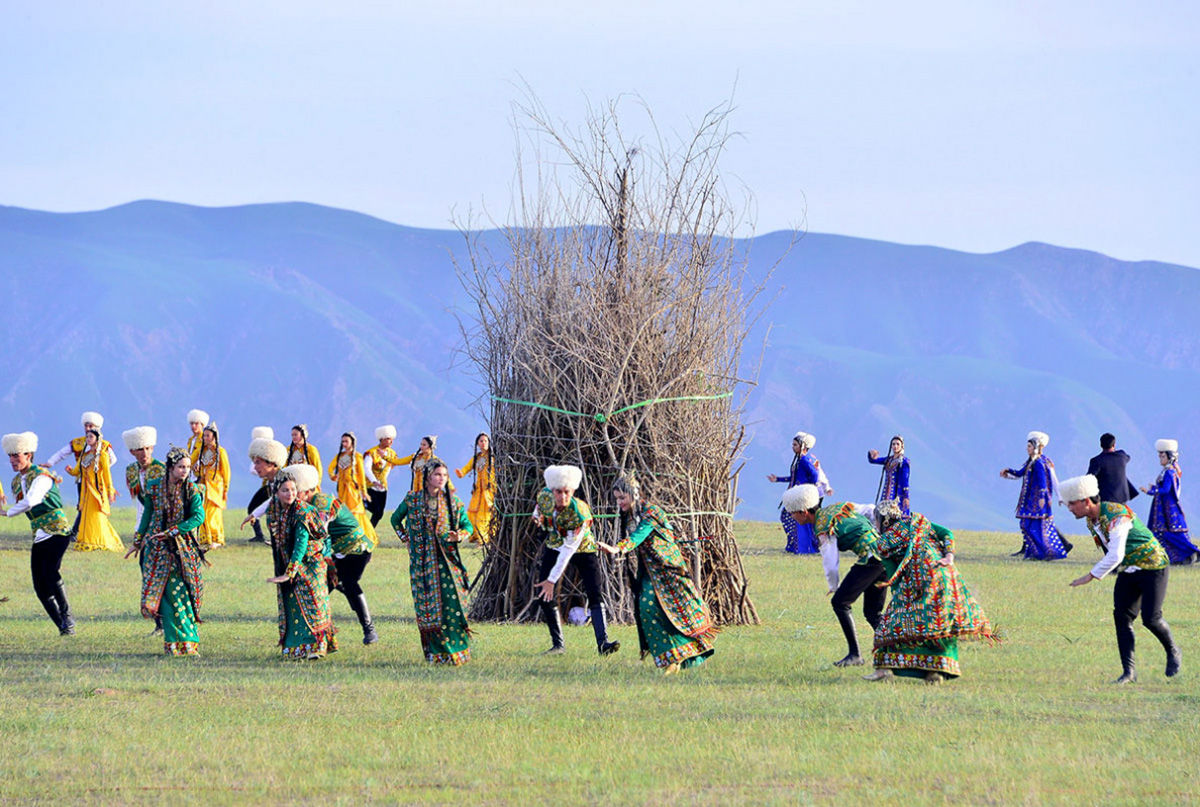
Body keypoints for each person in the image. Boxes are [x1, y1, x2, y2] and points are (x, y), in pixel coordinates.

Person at [1062, 474, 1180, 683]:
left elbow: (1115, 553)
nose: (1070, 508)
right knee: (1122, 617)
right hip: (1129, 569)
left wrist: (1090, 576)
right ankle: (1129, 672)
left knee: (1151, 619)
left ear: (1085, 501)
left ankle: (1173, 651)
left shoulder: (1117, 515)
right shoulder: (1092, 520)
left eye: (1072, 504)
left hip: (1153, 566)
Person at [863, 500, 998, 683]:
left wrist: (900, 601)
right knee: (941, 624)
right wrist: (949, 556)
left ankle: (883, 669)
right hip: (947, 575)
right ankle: (936, 672)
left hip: (921, 580)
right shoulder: (918, 522)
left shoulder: (884, 543)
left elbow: (894, 575)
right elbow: (946, 533)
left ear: (884, 521)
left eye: (877, 520)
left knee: (889, 625)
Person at [598, 474, 715, 674]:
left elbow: (638, 536)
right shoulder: (630, 514)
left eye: (622, 498)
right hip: (649, 569)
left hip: (667, 568)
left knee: (651, 605)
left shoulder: (651, 512)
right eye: (617, 499)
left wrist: (618, 549)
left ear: (633, 494)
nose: (619, 502)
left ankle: (676, 657)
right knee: (647, 608)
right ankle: (670, 658)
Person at [782, 486, 886, 667]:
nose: (792, 517)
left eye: (792, 513)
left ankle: (855, 655)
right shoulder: (840, 507)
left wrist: (834, 586)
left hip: (871, 559)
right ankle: (896, 649)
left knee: (840, 602)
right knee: (872, 612)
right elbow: (870, 509)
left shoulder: (822, 527)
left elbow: (830, 561)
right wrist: (880, 532)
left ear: (804, 512)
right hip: (885, 555)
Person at [389, 459, 474, 665]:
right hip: (423, 564)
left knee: (451, 607)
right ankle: (436, 654)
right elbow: (394, 520)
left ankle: (457, 651)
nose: (441, 479)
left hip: (447, 564)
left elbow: (468, 527)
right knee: (429, 611)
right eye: (438, 475)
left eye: (444, 475)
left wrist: (459, 536)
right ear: (428, 477)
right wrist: (407, 540)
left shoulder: (453, 502)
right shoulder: (412, 500)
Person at [531, 464, 620, 656]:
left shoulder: (580, 512)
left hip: (581, 547)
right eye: (558, 492)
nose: (562, 497)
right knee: (542, 591)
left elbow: (567, 551)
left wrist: (552, 581)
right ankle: (558, 645)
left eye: (566, 492)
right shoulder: (545, 497)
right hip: (555, 543)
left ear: (572, 491)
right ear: (551, 491)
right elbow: (538, 510)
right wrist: (537, 518)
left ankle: (603, 643)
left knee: (594, 592)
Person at [127, 446, 206, 656]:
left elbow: (198, 517)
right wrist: (137, 541)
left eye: (188, 467)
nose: (185, 471)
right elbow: (147, 516)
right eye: (181, 467)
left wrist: (173, 531)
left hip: (182, 550)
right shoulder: (154, 488)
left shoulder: (192, 490)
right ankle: (173, 644)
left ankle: (188, 642)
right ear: (170, 467)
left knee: (180, 595)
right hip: (156, 549)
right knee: (165, 598)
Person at [293, 463, 379, 645]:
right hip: (339, 552)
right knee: (323, 586)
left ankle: (369, 629)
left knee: (349, 582)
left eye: (296, 490)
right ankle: (312, 633)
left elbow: (320, 528)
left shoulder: (321, 502)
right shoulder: (306, 506)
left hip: (357, 549)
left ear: (306, 490)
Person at [2, 432, 77, 635]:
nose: (12, 460)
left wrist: (7, 512)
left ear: (29, 455)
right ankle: (62, 626)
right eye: (10, 456)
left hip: (58, 530)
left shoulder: (42, 476)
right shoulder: (17, 481)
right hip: (40, 534)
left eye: (17, 455)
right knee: (39, 584)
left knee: (51, 572)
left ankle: (67, 615)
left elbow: (31, 501)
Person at [263, 473, 338, 660]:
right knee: (293, 601)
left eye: (293, 490)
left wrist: (289, 572)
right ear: (276, 492)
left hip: (312, 561)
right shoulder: (274, 509)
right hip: (290, 561)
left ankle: (318, 647)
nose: (290, 494)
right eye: (285, 490)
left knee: (314, 602)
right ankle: (296, 648)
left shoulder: (302, 512)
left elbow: (301, 544)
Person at [41, 411, 118, 535]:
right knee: (83, 505)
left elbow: (113, 460)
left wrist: (98, 470)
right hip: (82, 481)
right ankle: (80, 531)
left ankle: (81, 531)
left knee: (96, 506)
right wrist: (50, 463)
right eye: (86, 426)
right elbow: (62, 453)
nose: (88, 429)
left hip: (96, 481)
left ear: (97, 428)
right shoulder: (78, 442)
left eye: (91, 426)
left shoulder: (104, 445)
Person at [1000, 431, 1071, 560]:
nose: (1027, 449)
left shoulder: (1041, 462)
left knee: (1034, 526)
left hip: (1037, 501)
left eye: (1030, 446)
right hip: (1030, 500)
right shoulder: (1031, 461)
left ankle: (1043, 552)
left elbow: (1049, 481)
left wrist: (1055, 497)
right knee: (1030, 525)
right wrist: (1008, 472)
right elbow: (1021, 473)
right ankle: (1033, 551)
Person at [122, 426, 165, 634]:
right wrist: (138, 532)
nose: (145, 453)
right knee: (147, 573)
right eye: (140, 449)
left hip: (160, 528)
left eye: (148, 448)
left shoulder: (162, 470)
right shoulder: (130, 470)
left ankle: (166, 621)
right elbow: (139, 504)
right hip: (143, 527)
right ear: (132, 451)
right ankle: (159, 622)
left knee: (160, 574)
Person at [66, 429, 124, 553]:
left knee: (96, 515)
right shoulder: (84, 455)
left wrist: (110, 490)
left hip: (97, 490)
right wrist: (70, 471)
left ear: (97, 439)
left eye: (91, 437)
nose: (88, 439)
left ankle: (99, 540)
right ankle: (86, 540)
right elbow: (77, 471)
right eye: (87, 437)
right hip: (86, 491)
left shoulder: (102, 455)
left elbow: (107, 474)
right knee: (86, 514)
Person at [1141, 440, 1197, 565]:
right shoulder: (1170, 471)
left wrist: (1150, 491)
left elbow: (1166, 490)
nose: (1160, 459)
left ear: (1169, 457)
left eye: (1162, 456)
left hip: (1167, 510)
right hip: (1163, 508)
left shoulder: (1169, 472)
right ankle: (1173, 557)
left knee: (1171, 534)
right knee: (1164, 533)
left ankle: (1191, 552)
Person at [766, 431, 822, 554]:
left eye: (795, 445)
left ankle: (802, 547)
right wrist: (778, 479)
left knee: (792, 518)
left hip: (801, 496)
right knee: (797, 519)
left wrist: (807, 488)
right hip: (801, 494)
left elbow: (814, 475)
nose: (793, 447)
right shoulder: (806, 459)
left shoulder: (803, 460)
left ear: (803, 446)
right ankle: (802, 547)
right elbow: (795, 477)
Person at [327, 431, 377, 543]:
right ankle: (345, 534)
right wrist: (333, 476)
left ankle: (359, 535)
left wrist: (364, 491)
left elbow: (361, 475)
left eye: (346, 441)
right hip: (342, 488)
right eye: (343, 441)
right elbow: (330, 468)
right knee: (342, 510)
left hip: (353, 489)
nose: (344, 444)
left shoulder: (357, 457)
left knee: (355, 511)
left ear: (352, 442)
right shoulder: (339, 456)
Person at [190, 421, 231, 550]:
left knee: (213, 512)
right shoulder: (201, 451)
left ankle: (216, 538)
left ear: (214, 436)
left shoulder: (221, 452)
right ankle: (205, 538)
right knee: (201, 510)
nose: (205, 438)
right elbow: (193, 465)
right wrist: (195, 467)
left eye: (208, 435)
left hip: (215, 486)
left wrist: (225, 489)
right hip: (203, 485)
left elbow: (226, 472)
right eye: (204, 436)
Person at [243, 434, 289, 543]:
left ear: (271, 462)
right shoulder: (274, 481)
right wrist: (254, 514)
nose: (254, 467)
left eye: (258, 463)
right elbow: (273, 499)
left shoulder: (286, 482)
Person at [456, 432, 496, 544]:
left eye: (485, 441)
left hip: (490, 489)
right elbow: (467, 468)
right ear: (477, 444)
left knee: (486, 513)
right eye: (481, 441)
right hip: (478, 490)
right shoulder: (477, 458)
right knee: (474, 512)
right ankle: (476, 535)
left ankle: (484, 538)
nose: (483, 443)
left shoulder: (493, 457)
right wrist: (461, 473)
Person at [364, 425, 404, 528]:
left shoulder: (392, 454)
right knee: (374, 508)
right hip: (370, 486)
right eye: (389, 439)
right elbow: (366, 468)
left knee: (379, 513)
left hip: (382, 487)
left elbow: (391, 466)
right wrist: (374, 481)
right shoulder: (372, 453)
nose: (391, 442)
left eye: (392, 439)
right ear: (382, 439)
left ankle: (369, 531)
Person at [1087, 433, 1138, 504]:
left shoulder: (1097, 461)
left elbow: (1088, 480)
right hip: (1122, 498)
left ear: (1101, 445)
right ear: (1114, 445)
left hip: (1104, 500)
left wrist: (1094, 498)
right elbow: (1128, 457)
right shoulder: (1122, 456)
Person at [244, 427, 276, 543]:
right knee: (258, 508)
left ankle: (271, 536)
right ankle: (261, 535)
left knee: (273, 509)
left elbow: (252, 469)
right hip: (266, 485)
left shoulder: (270, 454)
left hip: (269, 486)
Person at [867, 435, 910, 517]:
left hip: (897, 494)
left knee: (895, 515)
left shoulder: (904, 462)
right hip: (886, 492)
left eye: (897, 444)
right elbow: (873, 460)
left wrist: (906, 496)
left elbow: (905, 480)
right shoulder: (888, 460)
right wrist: (871, 454)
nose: (895, 446)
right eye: (893, 444)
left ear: (902, 446)